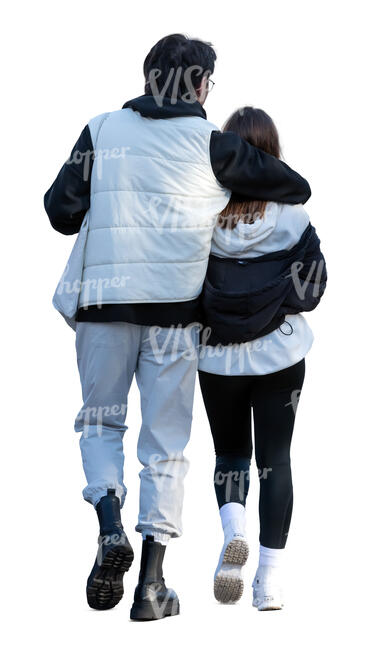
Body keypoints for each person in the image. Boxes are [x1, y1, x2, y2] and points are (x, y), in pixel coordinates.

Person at [44, 34, 311, 621]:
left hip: (103, 308)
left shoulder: (101, 130)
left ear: (148, 77)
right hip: (174, 316)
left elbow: (61, 212)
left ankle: (110, 524)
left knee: (100, 422)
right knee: (165, 448)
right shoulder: (214, 145)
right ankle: (152, 586)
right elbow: (294, 187)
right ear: (201, 85)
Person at [198, 106, 326, 611]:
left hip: (215, 358)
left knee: (231, 455)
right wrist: (276, 302)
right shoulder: (294, 218)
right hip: (281, 354)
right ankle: (268, 582)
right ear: (274, 155)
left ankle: (233, 532)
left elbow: (184, 287)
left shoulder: (202, 217)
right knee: (276, 461)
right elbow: (313, 288)